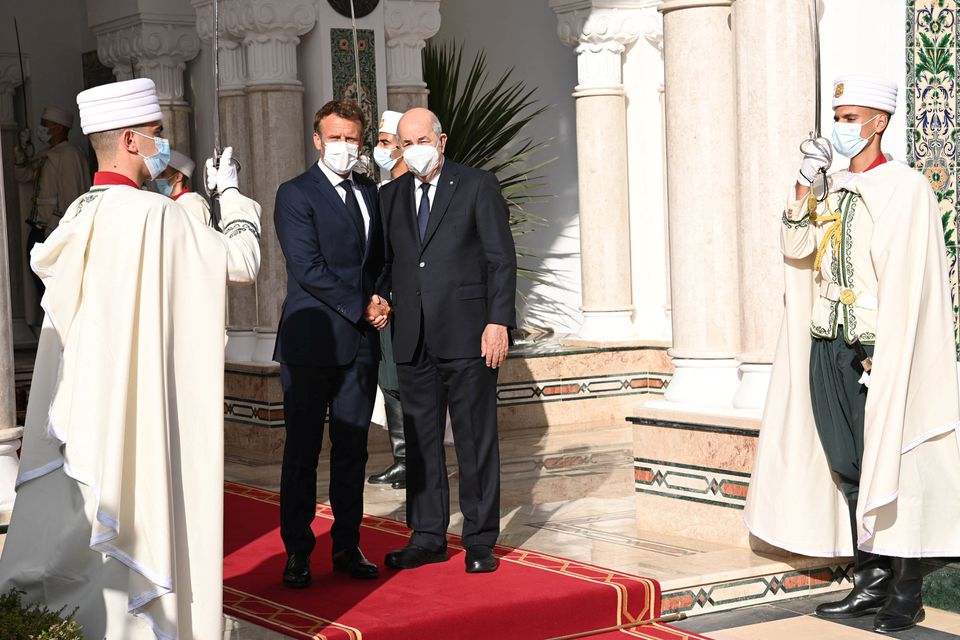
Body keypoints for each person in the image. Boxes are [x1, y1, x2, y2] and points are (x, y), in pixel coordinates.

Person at [0, 77, 261, 639]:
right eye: (157, 133)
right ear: (130, 141)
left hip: (84, 407)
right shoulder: (154, 216)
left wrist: (183, 203)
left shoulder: (81, 211)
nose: (164, 144)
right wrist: (230, 196)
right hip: (137, 403)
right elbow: (240, 262)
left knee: (88, 531)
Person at [745, 75, 960, 634]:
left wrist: (887, 351)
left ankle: (906, 593)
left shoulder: (906, 188)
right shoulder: (833, 186)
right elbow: (797, 247)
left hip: (877, 349)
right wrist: (804, 185)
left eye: (849, 118)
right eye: (837, 118)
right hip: (827, 345)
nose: (840, 127)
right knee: (848, 465)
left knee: (894, 462)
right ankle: (870, 583)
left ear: (878, 122)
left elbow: (907, 279)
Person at [379, 107, 516, 574]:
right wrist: (378, 296)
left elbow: (501, 259)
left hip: (469, 335)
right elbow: (387, 263)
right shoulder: (391, 196)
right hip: (413, 338)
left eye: (422, 140)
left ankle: (479, 539)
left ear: (441, 141)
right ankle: (427, 536)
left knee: (475, 439)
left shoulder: (477, 185)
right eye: (406, 143)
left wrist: (498, 322)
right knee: (420, 441)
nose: (414, 149)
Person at [272, 99, 390, 588]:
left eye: (351, 138)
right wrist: (361, 305)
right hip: (311, 341)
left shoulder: (370, 191)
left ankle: (346, 545)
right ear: (317, 140)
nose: (344, 146)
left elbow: (381, 259)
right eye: (335, 137)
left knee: (353, 449)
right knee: (302, 450)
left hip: (360, 344)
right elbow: (308, 268)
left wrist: (382, 297)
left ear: (361, 142)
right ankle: (298, 551)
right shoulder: (295, 193)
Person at [13, 106, 91, 328]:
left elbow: (71, 198)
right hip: (40, 229)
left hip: (53, 231)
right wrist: (20, 154)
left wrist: (55, 229)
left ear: (58, 127)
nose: (42, 128)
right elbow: (24, 175)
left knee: (55, 288)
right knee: (43, 288)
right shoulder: (49, 154)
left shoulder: (69, 155)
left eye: (45, 124)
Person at [368, 109, 410, 490]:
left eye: (385, 142)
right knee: (390, 381)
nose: (379, 149)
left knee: (409, 383)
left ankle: (418, 459)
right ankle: (403, 459)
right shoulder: (381, 192)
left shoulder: (415, 190)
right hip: (385, 304)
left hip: (410, 304)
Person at [154, 149, 212, 225]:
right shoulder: (167, 202)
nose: (158, 178)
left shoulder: (194, 204)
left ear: (178, 177)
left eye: (163, 174)